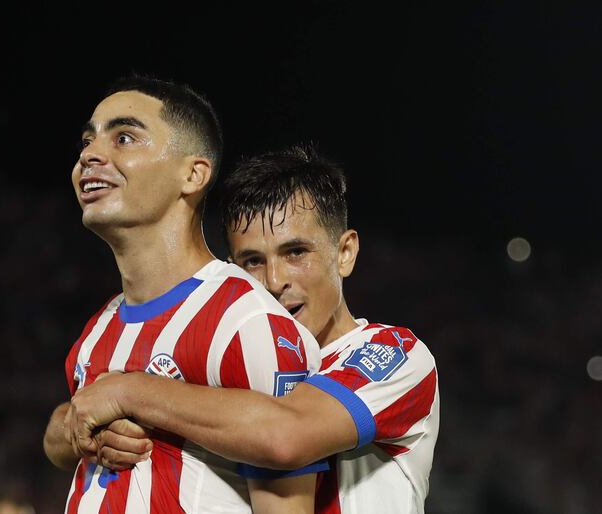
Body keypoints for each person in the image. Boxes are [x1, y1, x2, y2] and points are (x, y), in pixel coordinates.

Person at [67, 145, 440, 514]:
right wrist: (100, 428)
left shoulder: (396, 354)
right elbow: (71, 419)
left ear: (344, 253)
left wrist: (130, 394)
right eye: (252, 261)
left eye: (295, 253)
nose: (274, 281)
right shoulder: (228, 358)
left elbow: (286, 435)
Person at [42, 77, 324, 514]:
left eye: (124, 138)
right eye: (87, 140)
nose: (89, 156)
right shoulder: (98, 328)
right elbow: (61, 437)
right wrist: (77, 430)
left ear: (193, 175)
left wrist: (131, 395)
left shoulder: (247, 322)